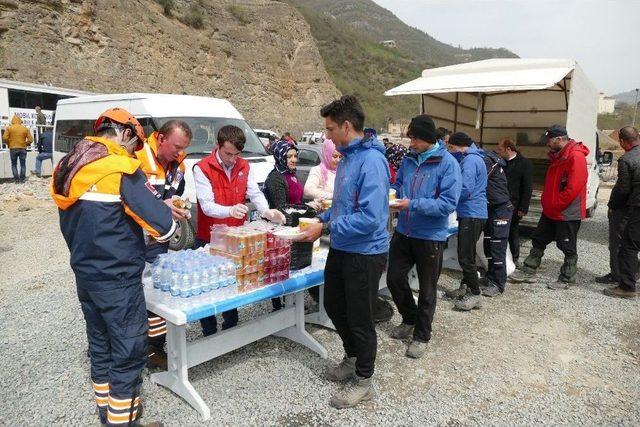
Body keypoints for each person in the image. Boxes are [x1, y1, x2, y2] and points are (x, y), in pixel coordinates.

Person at [51, 108, 175, 427]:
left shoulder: (68, 166)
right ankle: (123, 422)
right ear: (125, 133)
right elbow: (162, 225)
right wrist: (164, 214)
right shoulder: (120, 168)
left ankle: (106, 415)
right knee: (129, 352)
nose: (134, 151)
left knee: (101, 348)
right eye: (134, 144)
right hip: (118, 280)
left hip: (86, 276)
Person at [299, 95, 390, 409]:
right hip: (342, 246)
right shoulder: (349, 156)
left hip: (364, 252)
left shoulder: (372, 161)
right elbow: (341, 207)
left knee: (360, 316)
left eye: (329, 129)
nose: (326, 135)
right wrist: (322, 219)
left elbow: (370, 218)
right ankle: (352, 357)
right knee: (334, 304)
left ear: (347, 126)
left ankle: (364, 379)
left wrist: (323, 229)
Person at [194, 125, 284, 336]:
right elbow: (206, 205)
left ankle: (230, 329)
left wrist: (266, 210)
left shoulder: (243, 165)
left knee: (231, 286)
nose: (232, 159)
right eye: (228, 153)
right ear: (218, 146)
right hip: (210, 237)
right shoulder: (202, 168)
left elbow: (254, 192)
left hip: (236, 238)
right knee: (207, 290)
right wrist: (230, 210)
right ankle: (209, 333)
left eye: (236, 154)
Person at [386, 114, 461, 359]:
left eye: (415, 139)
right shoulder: (409, 160)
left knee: (428, 289)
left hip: (430, 235)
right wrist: (392, 195)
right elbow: (398, 185)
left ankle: (421, 335)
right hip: (403, 231)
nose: (411, 144)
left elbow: (447, 204)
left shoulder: (447, 164)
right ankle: (410, 318)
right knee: (394, 278)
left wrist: (412, 205)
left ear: (428, 139)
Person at [135, 120, 192, 370]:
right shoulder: (136, 158)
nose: (179, 153)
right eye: (176, 147)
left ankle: (155, 348)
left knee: (158, 294)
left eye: (183, 148)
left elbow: (171, 195)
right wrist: (162, 207)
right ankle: (130, 348)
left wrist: (177, 205)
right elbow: (131, 202)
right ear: (160, 138)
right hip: (135, 240)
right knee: (132, 296)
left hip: (159, 241)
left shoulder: (178, 163)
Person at [511, 125, 589, 289]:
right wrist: (549, 204)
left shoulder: (575, 157)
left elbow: (573, 188)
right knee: (539, 239)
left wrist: (556, 204)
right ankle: (528, 270)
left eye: (549, 140)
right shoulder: (559, 156)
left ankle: (567, 278)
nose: (546, 143)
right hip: (551, 210)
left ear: (559, 139)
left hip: (567, 212)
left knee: (567, 246)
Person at [446, 132, 488, 310]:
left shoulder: (470, 160)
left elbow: (465, 188)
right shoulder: (475, 157)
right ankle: (465, 286)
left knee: (465, 255)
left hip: (472, 213)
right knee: (468, 252)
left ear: (458, 146)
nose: (450, 150)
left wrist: (447, 197)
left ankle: (475, 294)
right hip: (473, 212)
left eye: (451, 147)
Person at [603, 126, 640, 298]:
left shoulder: (626, 159)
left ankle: (626, 286)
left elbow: (623, 189)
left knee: (627, 246)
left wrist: (612, 205)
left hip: (631, 208)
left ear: (622, 141)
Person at [479, 148, 513, 297]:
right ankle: (491, 276)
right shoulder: (488, 160)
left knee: (497, 246)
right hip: (491, 208)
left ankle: (498, 284)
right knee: (488, 244)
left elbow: (477, 181)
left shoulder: (487, 162)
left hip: (501, 209)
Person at [495, 138, 533, 268]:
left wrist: (523, 208)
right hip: (500, 203)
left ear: (508, 149)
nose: (498, 152)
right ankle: (501, 257)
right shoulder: (500, 163)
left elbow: (527, 188)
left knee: (512, 232)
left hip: (515, 205)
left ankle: (514, 257)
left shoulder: (524, 164)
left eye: (500, 149)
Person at [2, 115, 33, 183]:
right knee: (23, 164)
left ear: (12, 121)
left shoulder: (9, 128)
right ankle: (22, 179)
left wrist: (9, 144)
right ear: (20, 121)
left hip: (13, 148)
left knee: (14, 164)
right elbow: (31, 139)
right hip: (23, 148)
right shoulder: (25, 128)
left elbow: (4, 138)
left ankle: (16, 180)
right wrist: (26, 144)